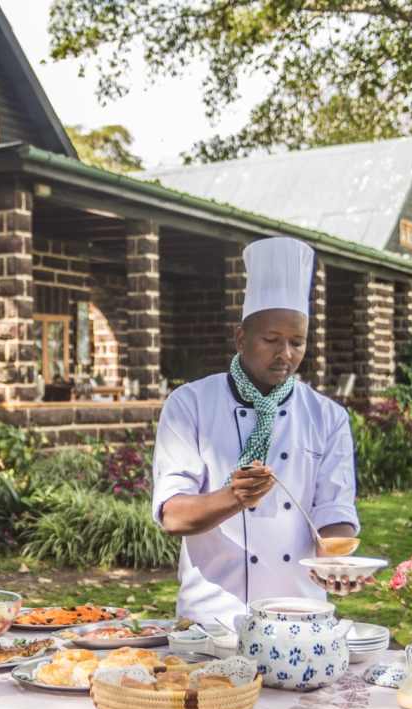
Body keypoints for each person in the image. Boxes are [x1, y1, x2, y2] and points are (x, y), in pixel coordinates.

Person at [151, 236, 366, 623]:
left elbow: (334, 510)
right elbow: (173, 515)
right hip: (211, 619)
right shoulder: (190, 405)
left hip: (301, 614)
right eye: (271, 340)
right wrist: (233, 497)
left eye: (297, 342)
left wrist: (337, 562)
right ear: (241, 338)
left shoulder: (327, 417)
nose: (285, 354)